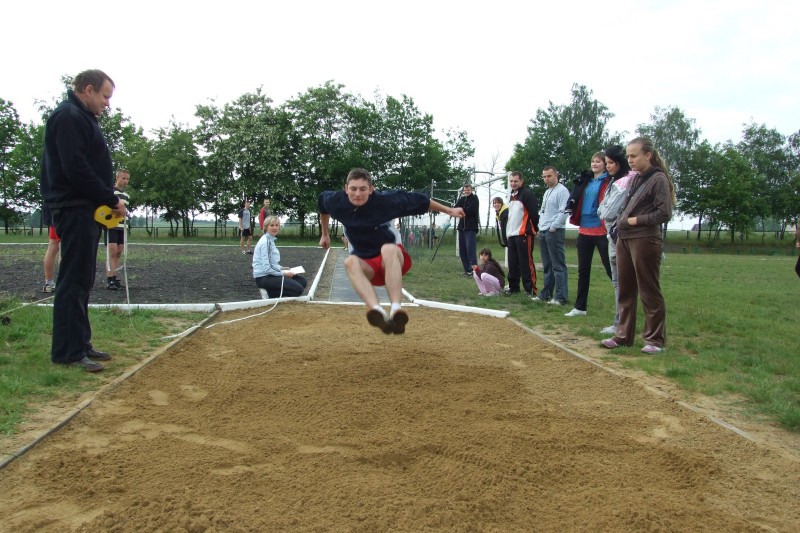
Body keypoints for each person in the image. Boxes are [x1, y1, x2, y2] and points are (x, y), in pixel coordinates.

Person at [40, 69, 125, 373]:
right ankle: (67, 352)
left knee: (83, 280)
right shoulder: (68, 117)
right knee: (73, 280)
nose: (106, 103)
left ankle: (81, 343)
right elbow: (75, 167)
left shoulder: (82, 118)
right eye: (104, 96)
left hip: (85, 209)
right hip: (74, 207)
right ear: (87, 90)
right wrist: (110, 198)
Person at [318, 168, 464, 334]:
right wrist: (325, 234)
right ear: (346, 189)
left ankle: (396, 309)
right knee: (349, 261)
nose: (357, 194)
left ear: (371, 189)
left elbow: (422, 201)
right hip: (367, 265)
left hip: (391, 261)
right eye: (353, 189)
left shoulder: (387, 201)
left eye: (363, 189)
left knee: (387, 249)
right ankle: (376, 311)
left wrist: (449, 210)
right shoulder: (336, 202)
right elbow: (322, 203)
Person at [601, 137, 674, 354]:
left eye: (634, 156)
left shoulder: (659, 179)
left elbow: (664, 213)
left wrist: (635, 220)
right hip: (624, 238)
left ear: (648, 155)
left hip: (645, 239)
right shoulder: (634, 179)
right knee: (625, 289)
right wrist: (620, 224)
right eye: (628, 156)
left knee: (648, 290)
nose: (629, 160)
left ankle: (654, 339)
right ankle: (623, 336)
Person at [565, 152, 612, 317]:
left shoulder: (608, 180)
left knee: (611, 268)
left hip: (601, 229)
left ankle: (624, 305)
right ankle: (580, 308)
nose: (594, 164)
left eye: (598, 161)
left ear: (605, 164)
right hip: (584, 229)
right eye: (592, 161)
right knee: (583, 271)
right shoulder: (585, 181)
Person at [596, 145, 638, 334]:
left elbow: (610, 210)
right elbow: (602, 208)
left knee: (623, 282)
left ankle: (622, 323)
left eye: (611, 163)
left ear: (619, 163)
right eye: (607, 163)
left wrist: (604, 211)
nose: (608, 167)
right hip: (612, 235)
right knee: (616, 281)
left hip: (622, 235)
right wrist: (604, 210)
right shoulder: (613, 183)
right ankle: (618, 322)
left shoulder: (625, 182)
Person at [532, 166, 569, 305]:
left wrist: (553, 227)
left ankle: (561, 297)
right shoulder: (547, 192)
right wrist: (541, 227)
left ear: (556, 175)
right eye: (544, 176)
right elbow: (543, 211)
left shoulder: (562, 191)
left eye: (549, 176)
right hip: (543, 231)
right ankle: (546, 294)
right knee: (547, 265)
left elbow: (565, 211)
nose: (546, 179)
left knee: (558, 266)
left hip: (554, 232)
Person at [253, 216, 308, 298]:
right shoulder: (266, 242)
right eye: (271, 225)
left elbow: (272, 264)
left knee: (302, 281)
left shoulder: (270, 240)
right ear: (266, 227)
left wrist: (282, 268)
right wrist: (284, 273)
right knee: (298, 290)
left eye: (277, 225)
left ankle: (273, 291)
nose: (275, 227)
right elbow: (267, 267)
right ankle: (269, 293)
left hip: (270, 274)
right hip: (264, 277)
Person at [505, 171, 539, 296]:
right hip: (512, 235)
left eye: (515, 181)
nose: (513, 183)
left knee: (526, 262)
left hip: (524, 234)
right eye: (511, 181)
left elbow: (534, 214)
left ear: (521, 181)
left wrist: (534, 229)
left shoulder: (527, 194)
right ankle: (513, 288)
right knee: (512, 263)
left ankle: (530, 289)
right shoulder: (512, 196)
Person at [105, 169, 130, 290]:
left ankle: (114, 277)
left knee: (119, 251)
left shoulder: (126, 196)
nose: (125, 181)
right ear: (117, 178)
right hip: (111, 226)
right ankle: (109, 279)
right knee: (112, 252)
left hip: (122, 227)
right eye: (123, 178)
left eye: (127, 179)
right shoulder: (110, 192)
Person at [455, 183, 479, 276]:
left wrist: (461, 210)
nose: (466, 191)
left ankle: (474, 270)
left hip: (470, 227)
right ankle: (467, 270)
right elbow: (455, 208)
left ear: (471, 190)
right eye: (465, 190)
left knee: (470, 249)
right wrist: (461, 210)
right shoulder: (461, 199)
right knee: (462, 250)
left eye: (468, 190)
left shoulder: (475, 198)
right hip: (462, 228)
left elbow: (471, 210)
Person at [42, 207, 60, 293]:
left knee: (52, 246)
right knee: (64, 247)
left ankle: (48, 283)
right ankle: (66, 282)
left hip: (51, 211)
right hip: (63, 213)